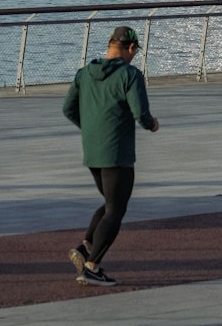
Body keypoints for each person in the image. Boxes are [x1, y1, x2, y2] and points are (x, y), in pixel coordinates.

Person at [63, 24, 160, 286]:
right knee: (116, 210)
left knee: (110, 204)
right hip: (117, 152)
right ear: (130, 48)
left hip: (92, 151)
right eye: (134, 51)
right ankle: (92, 266)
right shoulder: (130, 75)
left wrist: (92, 129)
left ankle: (84, 248)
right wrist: (152, 124)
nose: (134, 55)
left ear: (110, 44)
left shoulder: (84, 74)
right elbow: (141, 114)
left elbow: (68, 109)